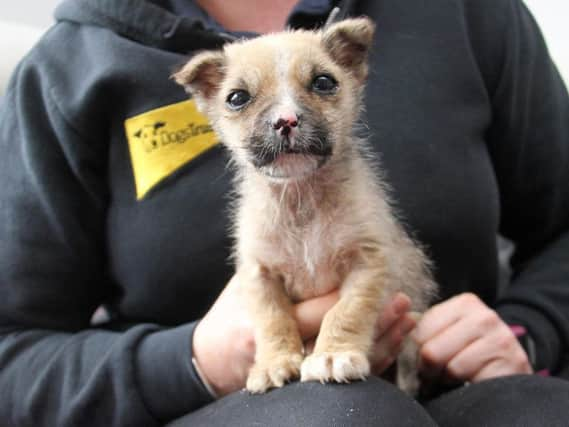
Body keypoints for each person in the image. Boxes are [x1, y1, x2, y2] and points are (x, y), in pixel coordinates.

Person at [0, 0, 568, 426]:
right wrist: (189, 362)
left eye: (321, 85)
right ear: (209, 101)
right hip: (221, 408)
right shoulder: (67, 69)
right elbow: (13, 354)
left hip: (454, 385)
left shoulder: (471, 11)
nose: (287, 118)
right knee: (341, 416)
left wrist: (529, 331)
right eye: (243, 100)